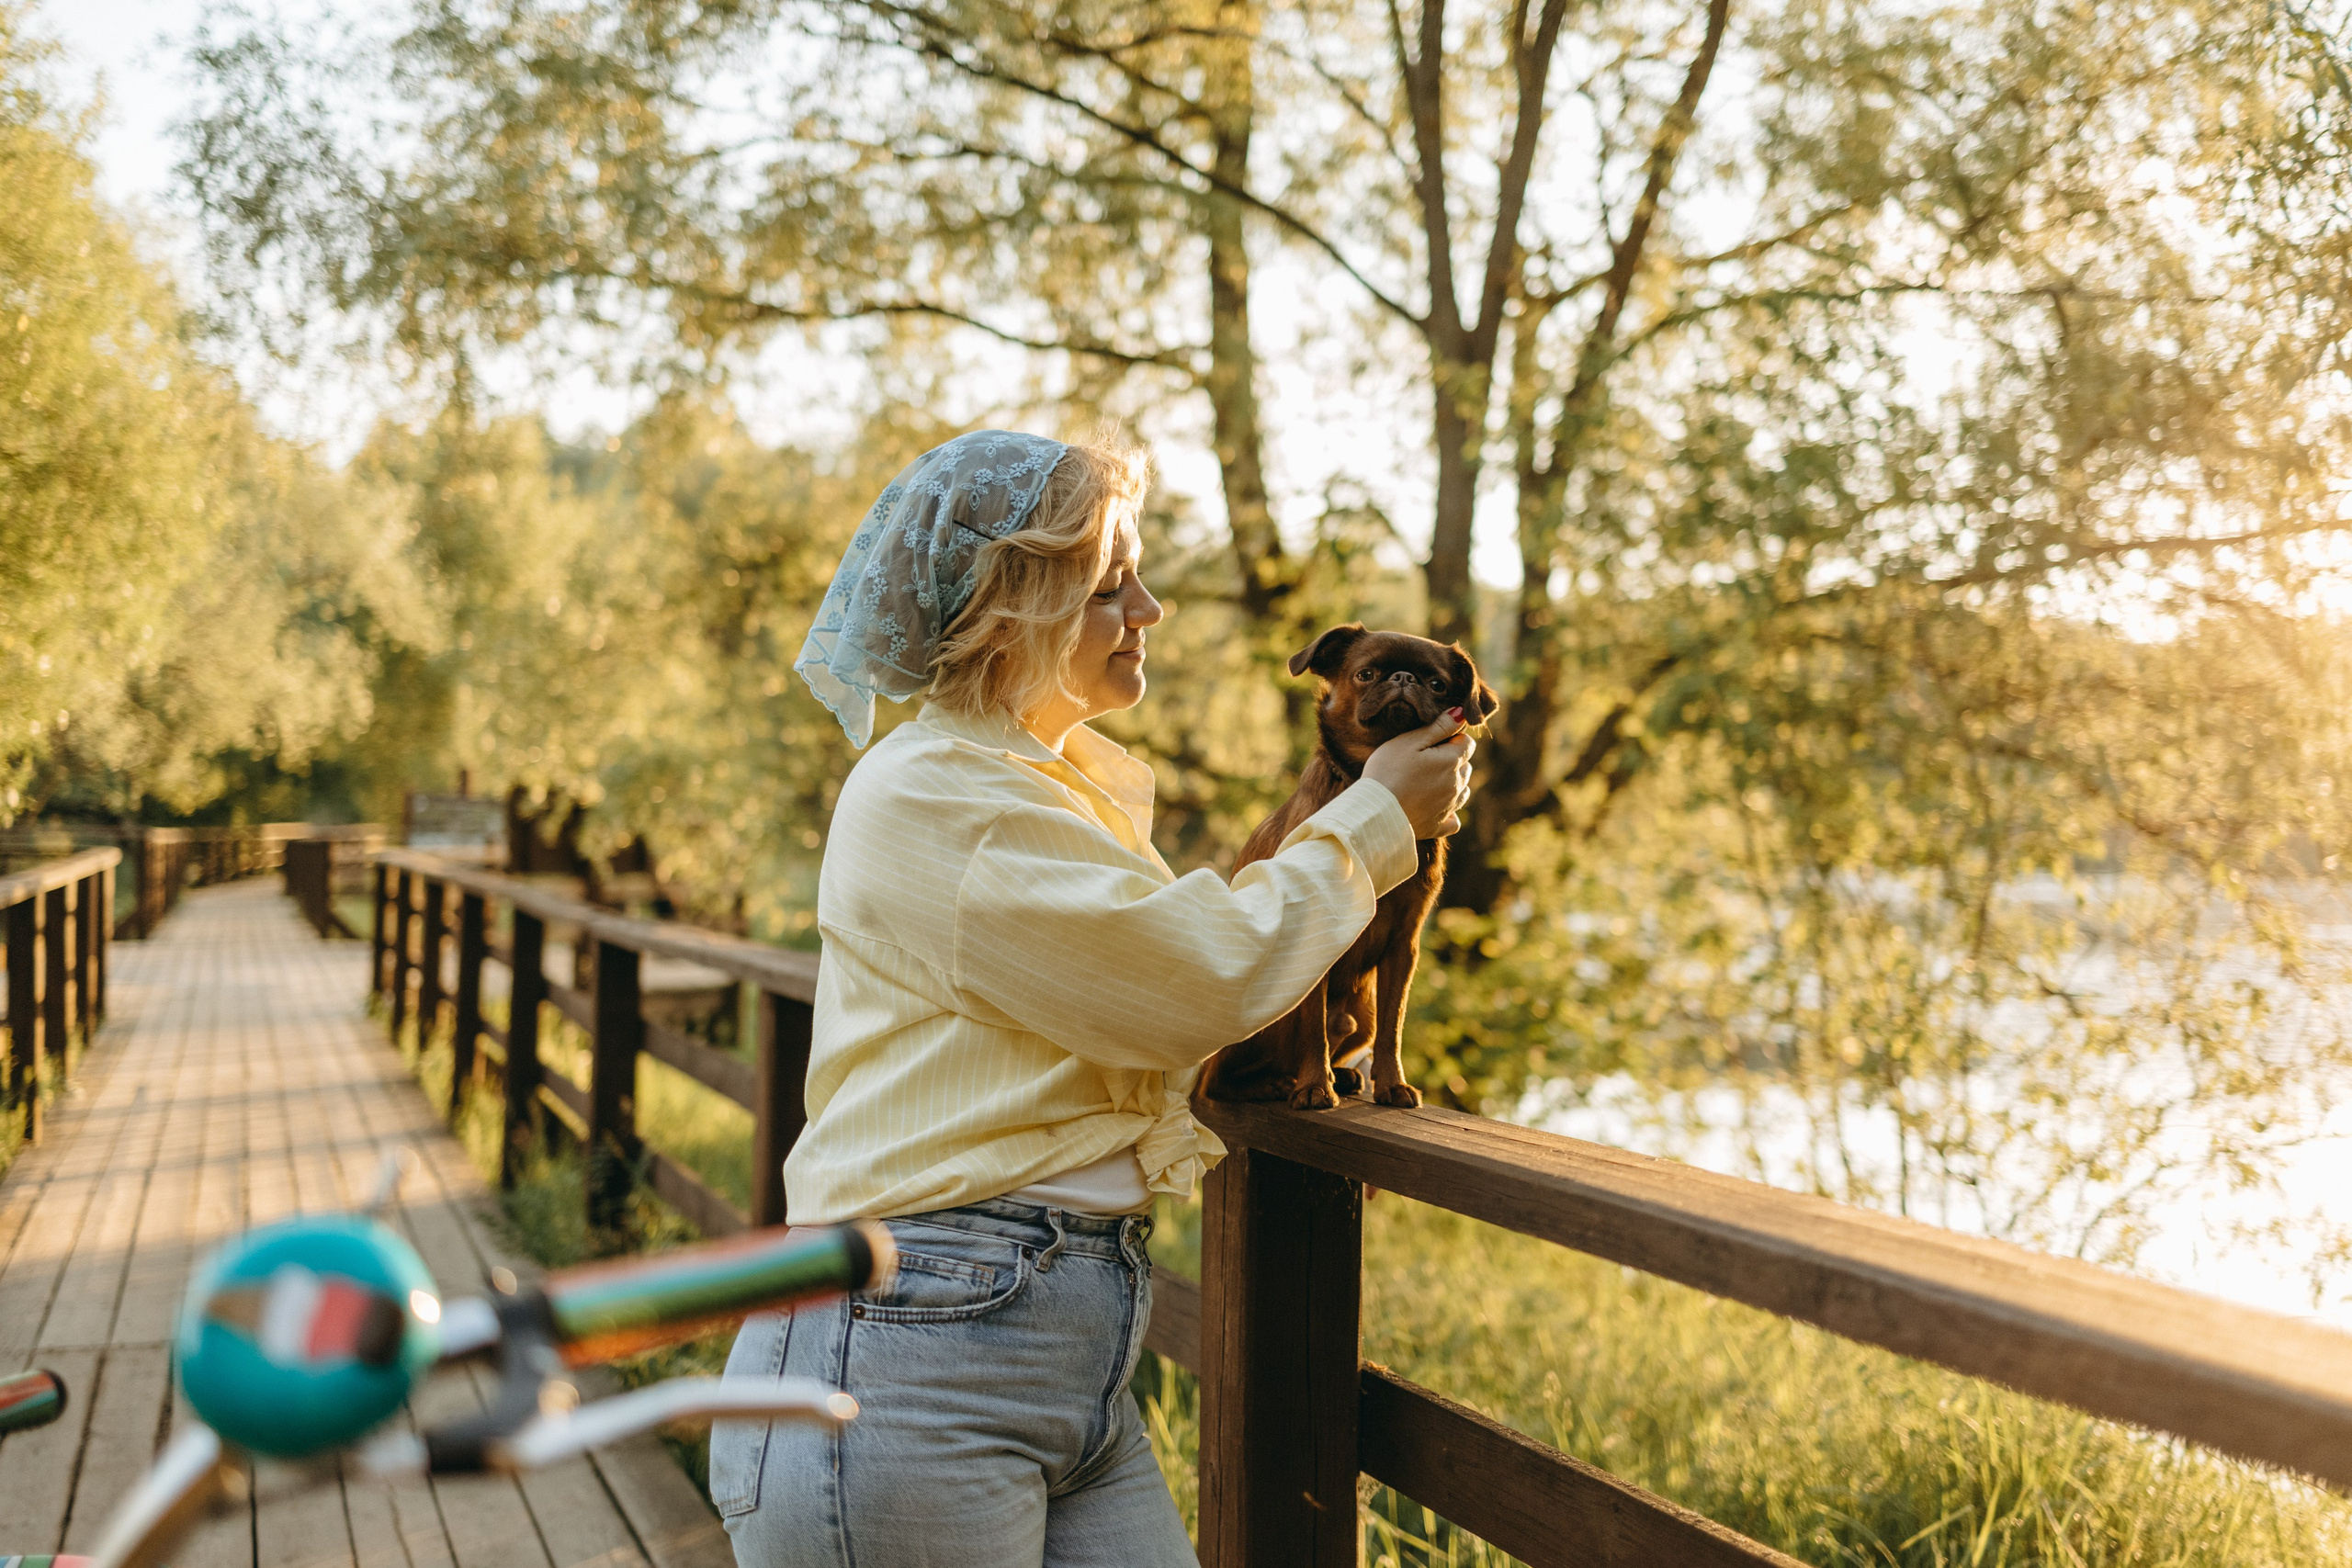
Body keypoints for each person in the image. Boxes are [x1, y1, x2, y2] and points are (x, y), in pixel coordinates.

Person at [713, 429, 1474, 1567]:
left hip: (1047, 1352)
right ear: (1011, 606)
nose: (1151, 609)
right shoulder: (940, 795)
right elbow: (1192, 977)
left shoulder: (1027, 790)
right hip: (908, 1365)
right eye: (1112, 585)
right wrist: (1371, 819)